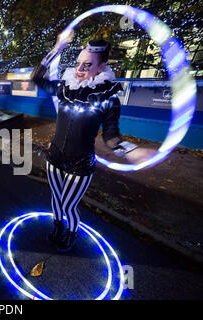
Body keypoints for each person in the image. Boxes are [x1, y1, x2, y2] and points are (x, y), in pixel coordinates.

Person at [31, 31, 155, 253]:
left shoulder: (108, 98)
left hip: (80, 164)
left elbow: (111, 136)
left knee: (68, 204)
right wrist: (57, 48)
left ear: (102, 67)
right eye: (78, 63)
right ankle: (58, 227)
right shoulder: (65, 88)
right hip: (54, 157)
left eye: (86, 65)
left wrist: (130, 151)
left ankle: (71, 232)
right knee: (57, 200)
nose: (79, 69)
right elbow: (38, 79)